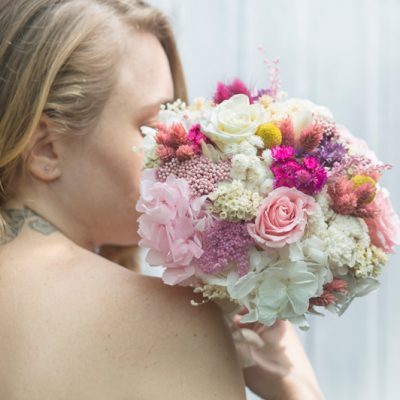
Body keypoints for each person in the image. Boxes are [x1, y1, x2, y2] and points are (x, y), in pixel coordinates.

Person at [0, 0, 324, 399]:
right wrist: (294, 387)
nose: (185, 149)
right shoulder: (168, 322)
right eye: (154, 127)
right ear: (46, 149)